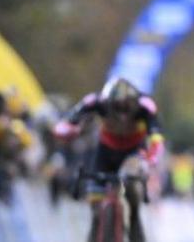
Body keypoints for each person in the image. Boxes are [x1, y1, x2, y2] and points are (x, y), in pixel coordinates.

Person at [54, 77, 164, 242]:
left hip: (132, 153)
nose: (121, 115)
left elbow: (156, 138)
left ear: (135, 103)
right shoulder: (95, 101)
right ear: (106, 103)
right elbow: (68, 121)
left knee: (131, 186)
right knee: (95, 207)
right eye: (115, 108)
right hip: (105, 152)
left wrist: (151, 157)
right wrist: (67, 131)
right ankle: (95, 230)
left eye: (126, 108)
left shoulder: (145, 105)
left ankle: (134, 222)